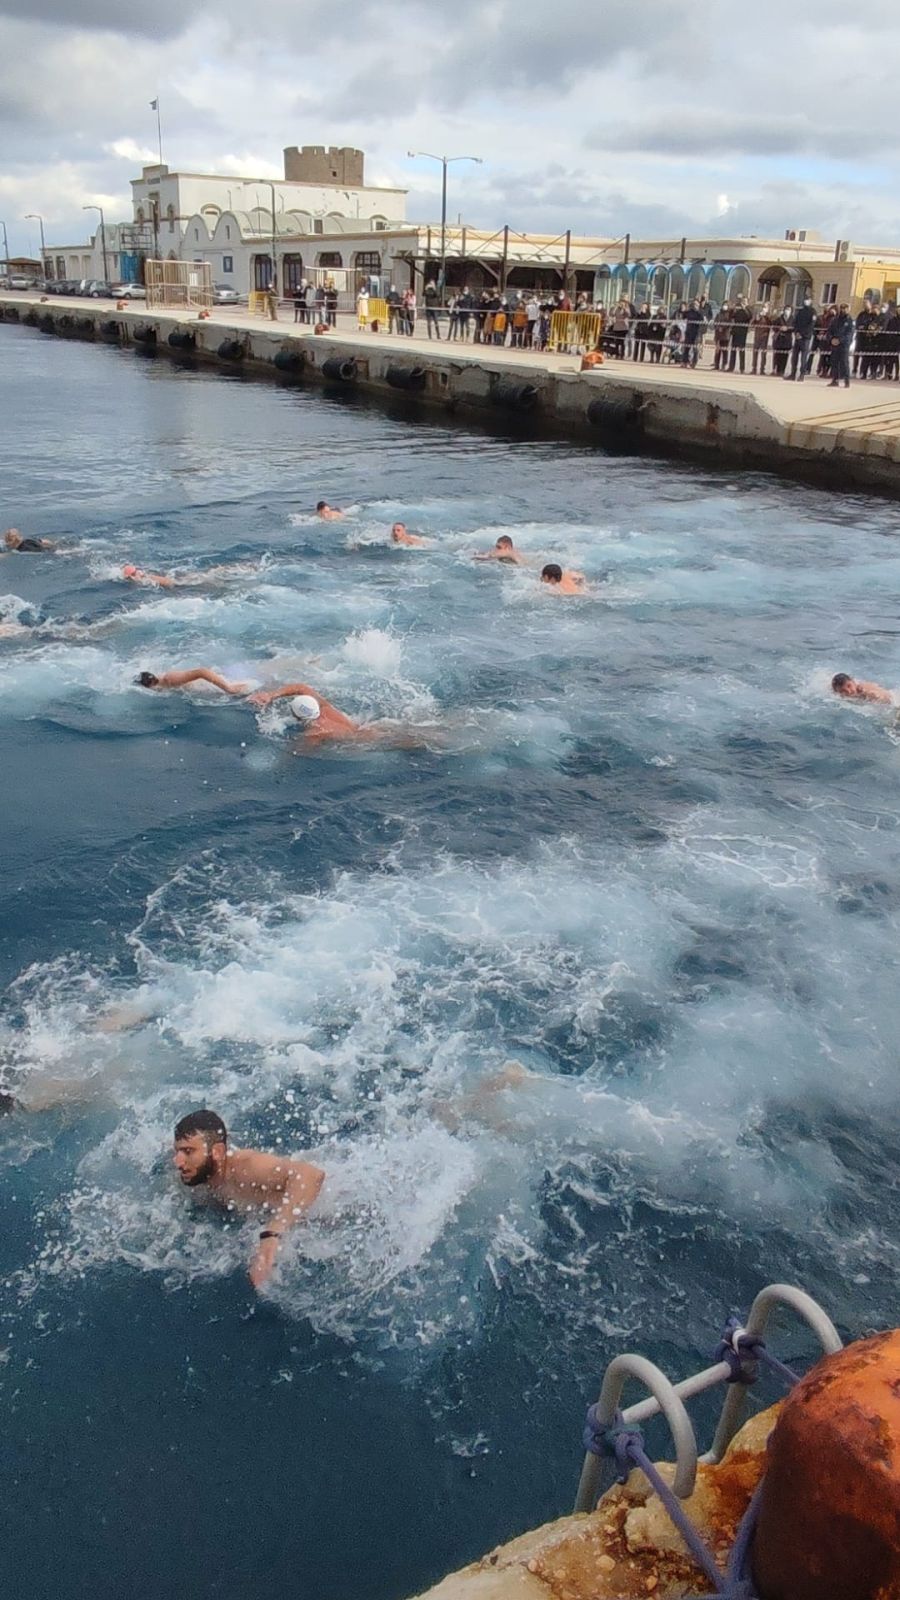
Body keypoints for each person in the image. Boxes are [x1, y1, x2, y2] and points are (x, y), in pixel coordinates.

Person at [173, 1109, 324, 1289]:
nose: (178, 1162)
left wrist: (272, 1233)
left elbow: (311, 1175)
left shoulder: (247, 1167)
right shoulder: (197, 1178)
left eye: (188, 1151)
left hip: (325, 1219)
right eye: (177, 1151)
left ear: (217, 1152)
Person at [248, 681, 374, 742]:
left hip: (360, 744)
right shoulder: (324, 707)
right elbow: (301, 687)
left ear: (297, 716)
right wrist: (271, 695)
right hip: (368, 729)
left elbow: (296, 755)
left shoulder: (316, 732)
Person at [135, 667, 250, 695]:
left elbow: (201, 672)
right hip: (215, 686)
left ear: (150, 685)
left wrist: (228, 688)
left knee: (250, 690)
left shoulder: (170, 679)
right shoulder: (161, 685)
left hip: (224, 683)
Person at [788, 297, 817, 381]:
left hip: (805, 338)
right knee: (794, 357)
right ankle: (793, 374)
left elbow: (811, 325)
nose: (806, 301)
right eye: (805, 300)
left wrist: (802, 334)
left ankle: (802, 375)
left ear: (811, 301)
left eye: (808, 300)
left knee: (803, 358)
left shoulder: (813, 312)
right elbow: (795, 323)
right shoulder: (800, 311)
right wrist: (796, 332)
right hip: (798, 337)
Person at [828, 305, 854, 388]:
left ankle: (847, 381)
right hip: (835, 344)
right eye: (842, 308)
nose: (843, 310)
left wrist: (840, 340)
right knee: (834, 362)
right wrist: (831, 339)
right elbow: (830, 331)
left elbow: (849, 334)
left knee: (844, 363)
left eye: (845, 309)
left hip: (844, 345)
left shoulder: (850, 320)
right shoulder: (835, 320)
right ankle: (835, 380)